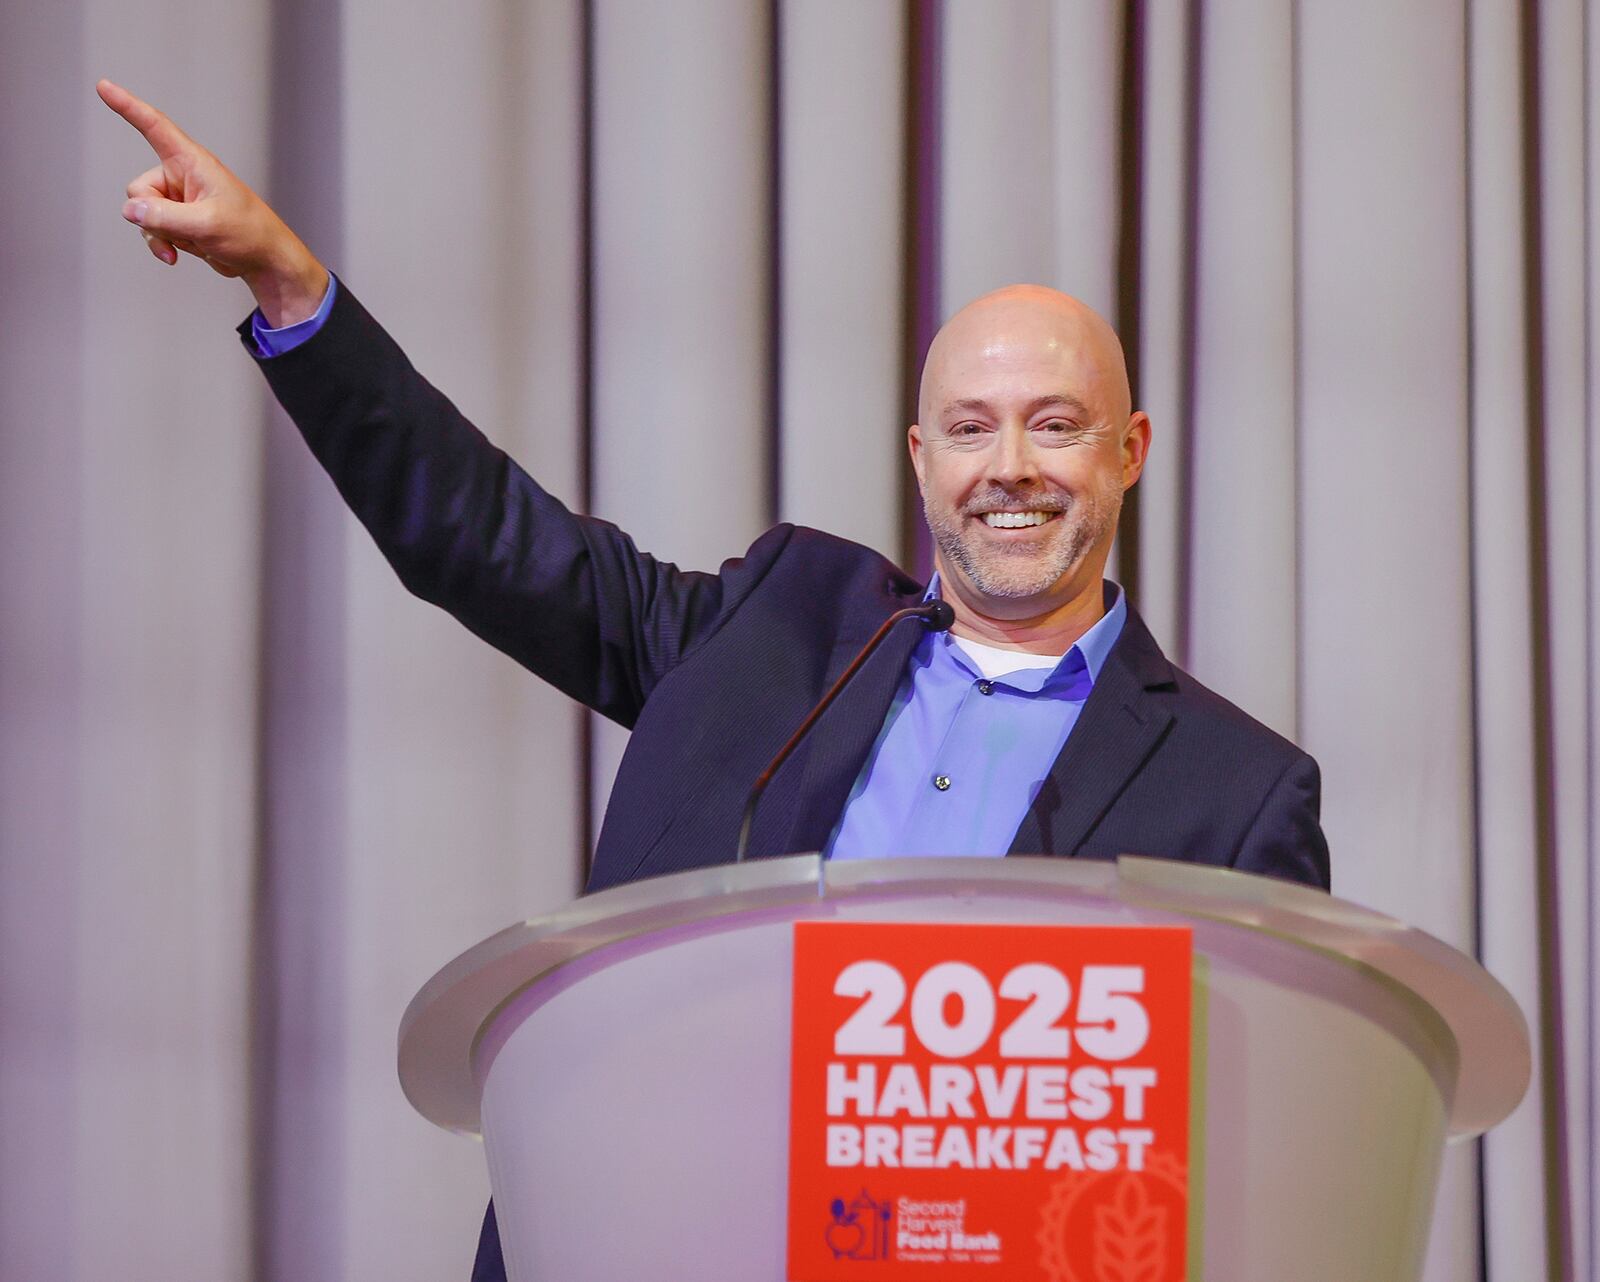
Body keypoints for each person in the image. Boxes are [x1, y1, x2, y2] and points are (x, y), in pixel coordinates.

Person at [99, 79, 1330, 1280]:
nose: (1008, 467)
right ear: (920, 457)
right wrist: (290, 285)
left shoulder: (1239, 792)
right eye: (969, 427)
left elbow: (1261, 1165)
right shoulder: (778, 625)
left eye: (1055, 424)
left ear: (1130, 451)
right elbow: (488, 540)